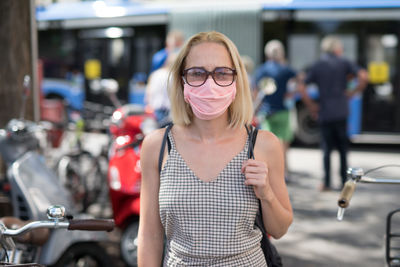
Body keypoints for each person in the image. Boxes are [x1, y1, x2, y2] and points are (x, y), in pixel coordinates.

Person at [138, 31, 293, 266]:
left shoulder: (263, 144)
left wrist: (266, 195)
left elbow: (280, 229)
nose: (210, 83)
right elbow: (150, 235)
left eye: (221, 73)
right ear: (182, 80)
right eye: (197, 73)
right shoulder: (157, 146)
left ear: (237, 79)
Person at [299, 35, 368, 191]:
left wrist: (311, 106)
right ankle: (345, 181)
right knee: (343, 149)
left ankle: (327, 182)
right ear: (337, 48)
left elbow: (301, 86)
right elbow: (364, 76)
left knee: (326, 150)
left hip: (324, 111)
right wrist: (352, 92)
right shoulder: (344, 62)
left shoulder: (318, 65)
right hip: (341, 111)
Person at [252, 40, 298, 181]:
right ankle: (283, 173)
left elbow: (255, 90)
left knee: (268, 144)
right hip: (283, 111)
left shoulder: (262, 70)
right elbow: (300, 82)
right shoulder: (286, 69)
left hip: (267, 112)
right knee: (283, 143)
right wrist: (291, 93)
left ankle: (270, 173)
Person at [144, 52, 177, 125]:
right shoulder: (174, 76)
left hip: (154, 111)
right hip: (169, 112)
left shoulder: (155, 74)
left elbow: (147, 95)